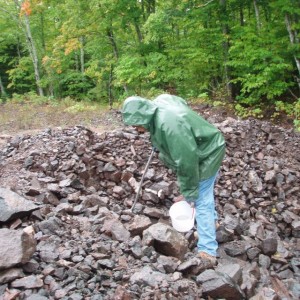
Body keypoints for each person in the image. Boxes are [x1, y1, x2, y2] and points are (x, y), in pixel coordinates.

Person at [122, 94, 226, 267]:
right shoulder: (159, 102)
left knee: (201, 198)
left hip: (208, 152)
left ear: (143, 117)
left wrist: (190, 193)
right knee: (203, 193)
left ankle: (207, 250)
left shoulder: (170, 126)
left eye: (136, 125)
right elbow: (180, 101)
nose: (135, 129)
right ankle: (212, 223)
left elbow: (187, 162)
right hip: (201, 147)